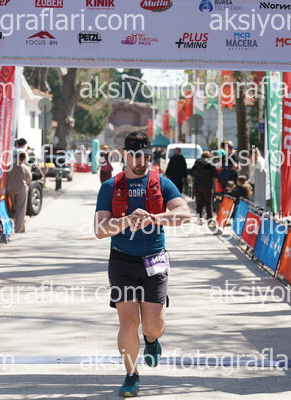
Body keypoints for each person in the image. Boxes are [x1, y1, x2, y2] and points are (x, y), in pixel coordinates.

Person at [94, 131, 191, 397]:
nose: (141, 161)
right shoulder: (110, 186)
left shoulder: (162, 183)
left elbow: (184, 214)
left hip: (155, 261)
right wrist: (127, 220)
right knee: (127, 323)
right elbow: (100, 229)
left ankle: (151, 339)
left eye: (146, 156)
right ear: (125, 155)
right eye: (136, 156)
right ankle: (131, 374)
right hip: (122, 261)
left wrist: (154, 218)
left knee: (153, 326)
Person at [6, 151, 33, 233]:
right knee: (20, 209)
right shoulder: (25, 168)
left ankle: (9, 228)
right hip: (22, 189)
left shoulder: (9, 166)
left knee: (10, 208)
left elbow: (6, 178)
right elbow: (29, 178)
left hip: (10, 188)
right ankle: (18, 228)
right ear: (24, 158)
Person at [190, 151, 218, 223]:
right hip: (207, 186)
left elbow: (192, 173)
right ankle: (209, 219)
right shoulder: (210, 164)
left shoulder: (196, 164)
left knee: (199, 203)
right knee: (208, 203)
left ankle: (199, 219)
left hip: (197, 185)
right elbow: (215, 175)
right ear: (209, 156)